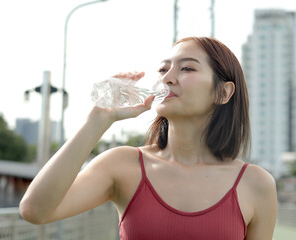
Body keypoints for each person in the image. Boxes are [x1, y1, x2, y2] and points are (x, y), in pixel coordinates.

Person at [20, 37, 277, 239]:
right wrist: (97, 121)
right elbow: (35, 210)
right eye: (163, 69)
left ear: (223, 92)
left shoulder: (256, 184)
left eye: (186, 68)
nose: (167, 78)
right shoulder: (123, 164)